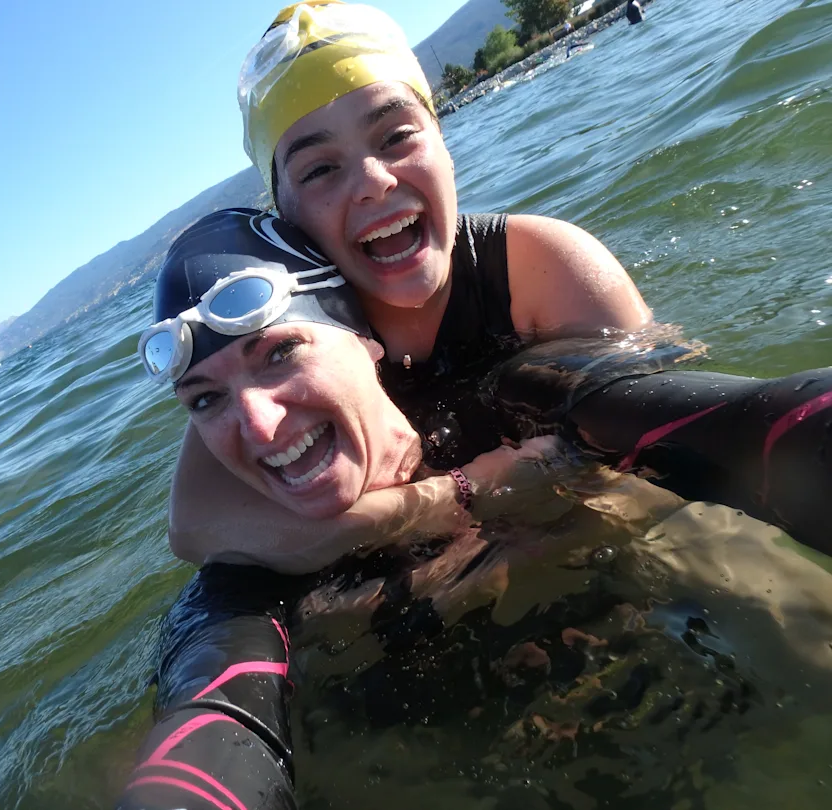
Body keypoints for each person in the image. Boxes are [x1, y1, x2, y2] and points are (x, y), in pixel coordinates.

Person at [119, 209, 832, 810]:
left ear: (365, 339)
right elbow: (209, 726)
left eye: (279, 354)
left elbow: (745, 422)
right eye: (207, 400)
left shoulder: (514, 403)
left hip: (678, 635)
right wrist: (451, 513)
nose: (260, 426)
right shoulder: (243, 578)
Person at [169, 0, 653, 567]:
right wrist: (451, 497)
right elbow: (197, 527)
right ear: (285, 217)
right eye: (320, 169)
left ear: (441, 138)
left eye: (396, 135)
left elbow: (659, 444)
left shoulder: (544, 266)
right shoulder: (280, 348)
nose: (373, 182)